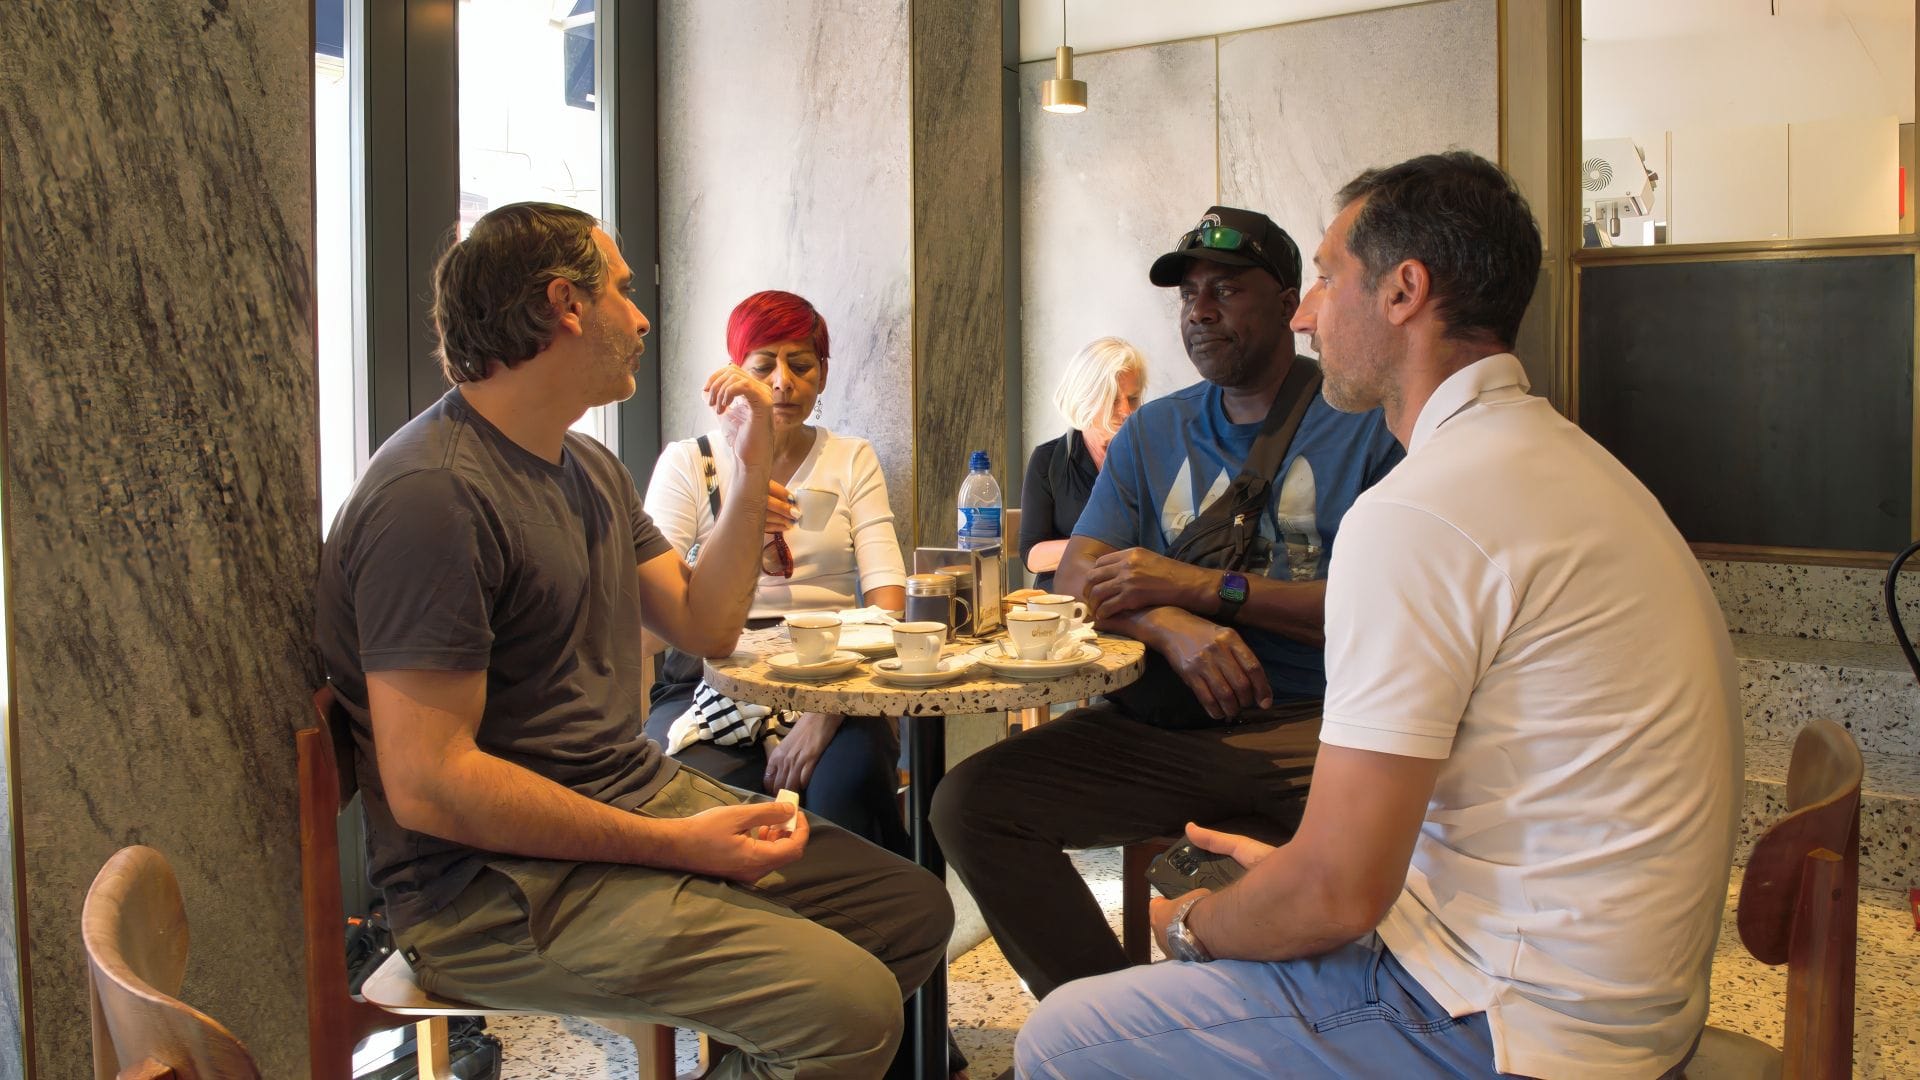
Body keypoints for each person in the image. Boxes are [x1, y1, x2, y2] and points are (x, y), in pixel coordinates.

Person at [1015, 152, 1740, 1080]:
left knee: (1062, 1040)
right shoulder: (1573, 462)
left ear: (1403, 291)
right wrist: (1291, 885)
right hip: (1615, 1001)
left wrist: (1196, 926)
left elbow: (1338, 892)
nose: (1310, 313)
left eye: (1323, 278)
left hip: (1513, 1027)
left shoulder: (1421, 509)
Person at [314, 202, 952, 1080]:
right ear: (562, 305)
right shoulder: (432, 498)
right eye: (621, 290)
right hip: (493, 892)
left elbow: (705, 625)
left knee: (910, 910)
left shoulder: (590, 468)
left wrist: (749, 467)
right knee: (850, 1006)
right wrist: (677, 848)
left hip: (623, 808)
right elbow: (429, 786)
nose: (642, 316)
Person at [930, 206, 1403, 1004]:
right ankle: (1111, 1020)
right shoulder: (1157, 430)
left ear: (1290, 302)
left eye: (1225, 288)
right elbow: (1076, 573)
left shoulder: (1365, 426)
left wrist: (1197, 588)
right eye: (1188, 295)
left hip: (1320, 726)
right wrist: (1165, 624)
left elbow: (1384, 610)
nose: (1201, 309)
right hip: (1168, 727)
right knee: (971, 804)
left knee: (1411, 840)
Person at [643, 289, 911, 856]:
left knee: (849, 786)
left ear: (823, 373)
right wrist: (733, 533)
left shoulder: (851, 458)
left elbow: (889, 604)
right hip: (707, 677)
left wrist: (827, 714)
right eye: (763, 366)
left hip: (834, 677)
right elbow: (648, 620)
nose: (783, 382)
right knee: (699, 794)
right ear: (734, 375)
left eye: (801, 364)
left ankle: (873, 933)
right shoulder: (692, 462)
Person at [1019, 337, 1147, 593]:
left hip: (1131, 597)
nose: (1126, 412)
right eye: (1112, 400)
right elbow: (1032, 555)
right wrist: (1101, 547)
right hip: (1063, 604)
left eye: (1132, 399)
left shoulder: (1150, 457)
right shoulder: (1047, 460)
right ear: (1086, 398)